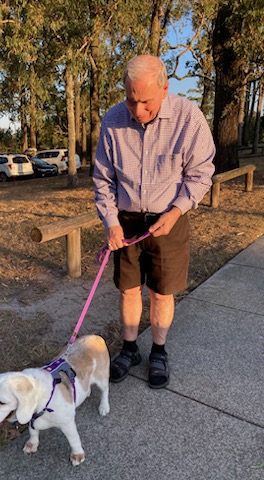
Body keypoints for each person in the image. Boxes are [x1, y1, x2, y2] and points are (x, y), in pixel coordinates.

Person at [93, 54, 215, 389]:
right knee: (128, 290)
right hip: (126, 220)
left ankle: (158, 351)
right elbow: (103, 179)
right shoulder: (113, 121)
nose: (138, 110)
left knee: (161, 293)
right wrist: (110, 222)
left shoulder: (189, 118)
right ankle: (130, 348)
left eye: (146, 101)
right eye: (131, 100)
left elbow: (201, 175)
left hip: (169, 220)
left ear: (165, 88)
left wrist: (175, 212)